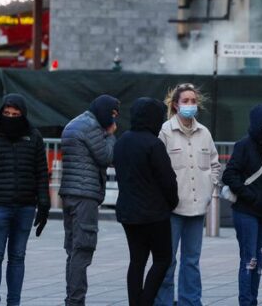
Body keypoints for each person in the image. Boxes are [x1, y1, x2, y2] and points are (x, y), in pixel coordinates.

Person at [0, 94, 50, 306]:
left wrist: (44, 204)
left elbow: (41, 172)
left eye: (15, 114)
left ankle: (14, 302)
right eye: (7, 113)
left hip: (25, 206)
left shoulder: (34, 136)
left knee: (18, 257)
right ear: (0, 112)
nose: (11, 117)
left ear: (23, 115)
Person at [156, 83, 221, 306]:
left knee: (191, 261)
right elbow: (157, 167)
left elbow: (214, 164)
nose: (190, 105)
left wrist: (209, 187)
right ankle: (163, 302)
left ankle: (191, 302)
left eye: (193, 101)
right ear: (175, 105)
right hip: (172, 208)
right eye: (186, 101)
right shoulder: (165, 132)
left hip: (197, 209)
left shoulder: (205, 133)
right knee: (167, 261)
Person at [114, 98, 178, 306]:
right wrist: (172, 202)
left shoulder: (122, 140)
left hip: (128, 212)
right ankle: (145, 302)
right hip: (154, 213)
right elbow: (167, 180)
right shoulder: (153, 144)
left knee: (137, 260)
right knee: (162, 259)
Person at [59, 94, 119, 306]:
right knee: (83, 250)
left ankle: (72, 299)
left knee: (73, 250)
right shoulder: (92, 127)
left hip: (69, 194)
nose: (114, 120)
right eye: (112, 114)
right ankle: (76, 301)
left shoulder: (75, 123)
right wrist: (111, 135)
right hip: (85, 196)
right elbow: (106, 156)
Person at [223, 106, 262, 306]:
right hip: (246, 211)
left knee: (260, 262)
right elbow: (229, 174)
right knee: (249, 260)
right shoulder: (244, 145)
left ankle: (253, 300)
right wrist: (251, 196)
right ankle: (246, 302)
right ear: (258, 124)